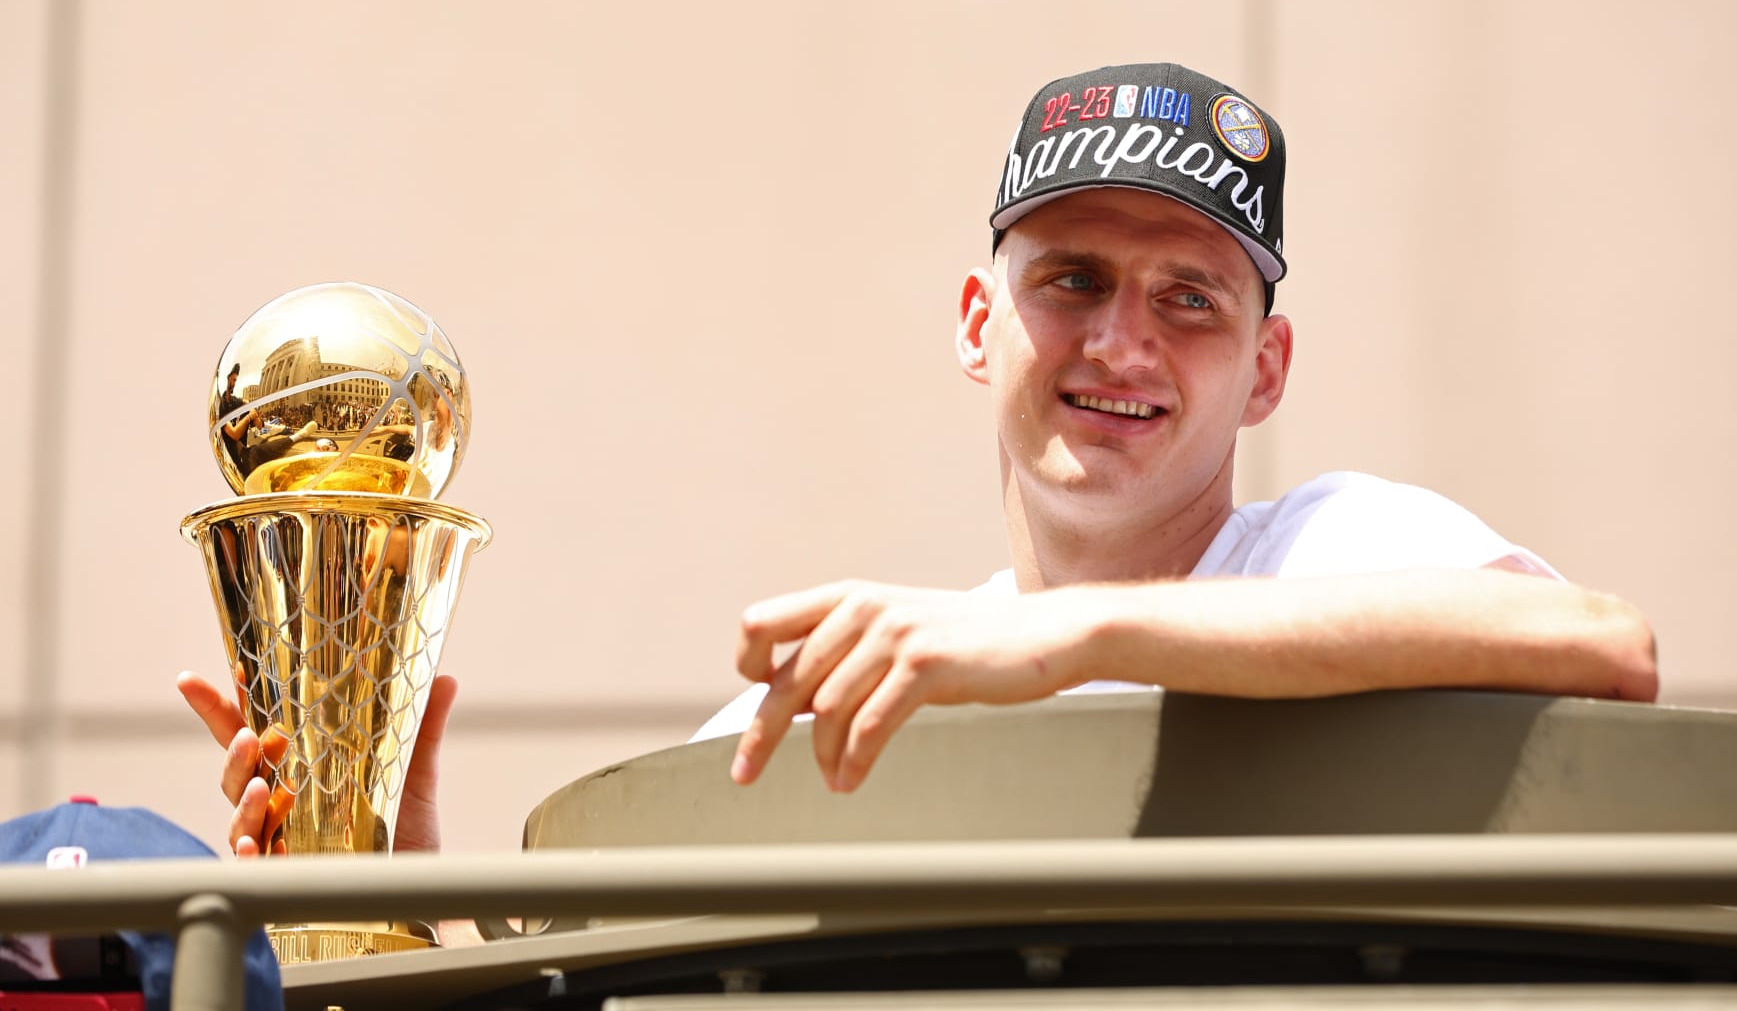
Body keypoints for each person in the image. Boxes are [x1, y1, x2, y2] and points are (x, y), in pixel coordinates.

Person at [180, 61, 1656, 857]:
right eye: (1072, 281)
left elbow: (1599, 643)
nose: (1121, 343)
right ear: (978, 324)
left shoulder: (1324, 547)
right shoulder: (877, 676)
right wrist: (392, 897)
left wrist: (1067, 640)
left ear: (1266, 370)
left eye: (1189, 300)